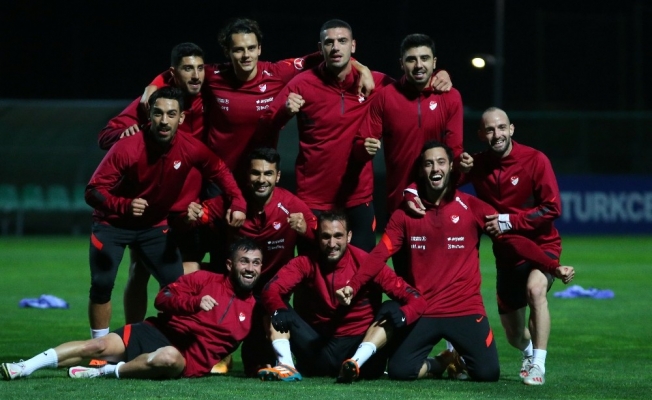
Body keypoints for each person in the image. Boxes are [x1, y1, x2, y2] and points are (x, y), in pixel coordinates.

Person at [261, 20, 452, 252]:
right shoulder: (302, 84)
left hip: (358, 198)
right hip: (312, 199)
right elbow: (268, 123)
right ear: (320, 48)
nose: (336, 47)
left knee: (363, 271)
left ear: (353, 46)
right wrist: (285, 111)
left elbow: (413, 86)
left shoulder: (377, 82)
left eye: (342, 41)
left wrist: (440, 75)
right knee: (312, 271)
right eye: (329, 42)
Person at [83, 86, 246, 343]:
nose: (164, 120)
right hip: (112, 224)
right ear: (149, 115)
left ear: (181, 118)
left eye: (171, 114)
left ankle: (173, 342)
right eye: (158, 113)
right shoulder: (128, 147)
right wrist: (124, 205)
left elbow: (219, 170)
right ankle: (99, 349)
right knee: (102, 284)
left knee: (176, 286)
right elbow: (93, 191)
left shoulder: (189, 147)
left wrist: (238, 201)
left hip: (152, 226)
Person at [338, 141, 506, 382]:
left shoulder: (471, 206)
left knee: (488, 374)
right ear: (421, 170)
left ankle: (460, 356)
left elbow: (511, 236)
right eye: (428, 163)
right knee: (400, 371)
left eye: (441, 162)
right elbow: (379, 255)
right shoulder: (404, 214)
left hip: (465, 308)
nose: (435, 168)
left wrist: (547, 264)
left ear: (451, 167)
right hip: (424, 309)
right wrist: (353, 286)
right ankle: (444, 360)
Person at [144, 18, 375, 183]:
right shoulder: (213, 75)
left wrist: (361, 67)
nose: (246, 55)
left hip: (259, 175)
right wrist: (152, 87)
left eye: (251, 48)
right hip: (218, 175)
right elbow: (181, 71)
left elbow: (327, 55)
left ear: (259, 49)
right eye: (238, 50)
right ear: (227, 52)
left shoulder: (278, 73)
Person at [0, 238, 262, 380]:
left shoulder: (254, 310)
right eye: (244, 262)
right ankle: (25, 367)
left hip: (184, 360)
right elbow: (162, 298)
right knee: (96, 346)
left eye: (256, 263)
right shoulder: (204, 279)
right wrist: (193, 303)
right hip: (156, 332)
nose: (250, 268)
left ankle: (105, 371)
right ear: (230, 265)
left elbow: (261, 343)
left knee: (167, 357)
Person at [459, 107, 574, 385]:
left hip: (542, 245)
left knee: (535, 290)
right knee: (514, 336)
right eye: (490, 129)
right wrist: (457, 166)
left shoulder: (535, 160)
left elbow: (552, 208)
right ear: (481, 135)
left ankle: (538, 366)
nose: (496, 134)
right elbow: (445, 183)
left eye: (501, 127)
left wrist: (509, 221)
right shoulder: (478, 164)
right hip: (507, 256)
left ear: (511, 129)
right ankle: (528, 351)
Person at [97, 42, 210, 325]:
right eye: (188, 69)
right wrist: (124, 134)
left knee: (188, 272)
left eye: (200, 68)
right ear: (174, 73)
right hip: (153, 208)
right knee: (139, 270)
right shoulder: (152, 104)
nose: (196, 75)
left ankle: (180, 334)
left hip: (189, 206)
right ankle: (133, 333)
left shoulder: (212, 95)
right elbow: (105, 136)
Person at [185, 147, 318, 376]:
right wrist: (191, 214)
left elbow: (323, 238)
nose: (261, 179)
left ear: (277, 176)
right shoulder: (231, 203)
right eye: (256, 173)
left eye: (268, 174)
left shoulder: (292, 206)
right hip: (234, 291)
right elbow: (196, 217)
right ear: (247, 175)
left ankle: (276, 356)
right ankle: (210, 350)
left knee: (257, 366)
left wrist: (306, 230)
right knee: (189, 271)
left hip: (270, 295)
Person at [256, 211, 426, 382]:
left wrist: (404, 315)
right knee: (272, 305)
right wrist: (277, 308)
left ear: (349, 236)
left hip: (362, 352)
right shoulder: (305, 263)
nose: (332, 244)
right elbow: (270, 289)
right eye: (326, 237)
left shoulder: (367, 263)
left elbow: (416, 299)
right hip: (319, 350)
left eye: (338, 236)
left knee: (392, 307)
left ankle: (355, 363)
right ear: (318, 238)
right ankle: (286, 365)